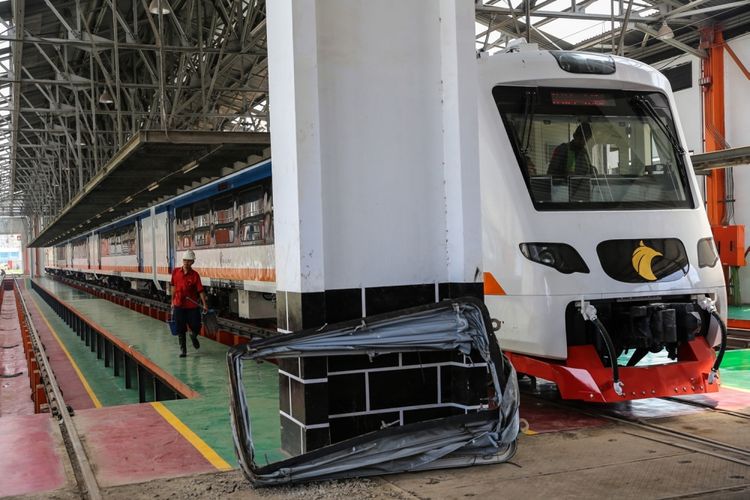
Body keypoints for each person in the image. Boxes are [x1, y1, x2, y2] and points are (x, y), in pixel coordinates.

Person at [170, 250, 208, 357]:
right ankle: (183, 351)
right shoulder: (176, 272)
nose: (186, 263)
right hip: (179, 304)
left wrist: (204, 304)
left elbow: (200, 290)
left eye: (188, 261)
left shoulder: (195, 275)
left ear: (192, 262)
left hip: (192, 305)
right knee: (180, 328)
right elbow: (173, 287)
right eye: (185, 260)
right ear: (182, 261)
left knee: (196, 325)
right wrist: (172, 301)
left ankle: (193, 336)